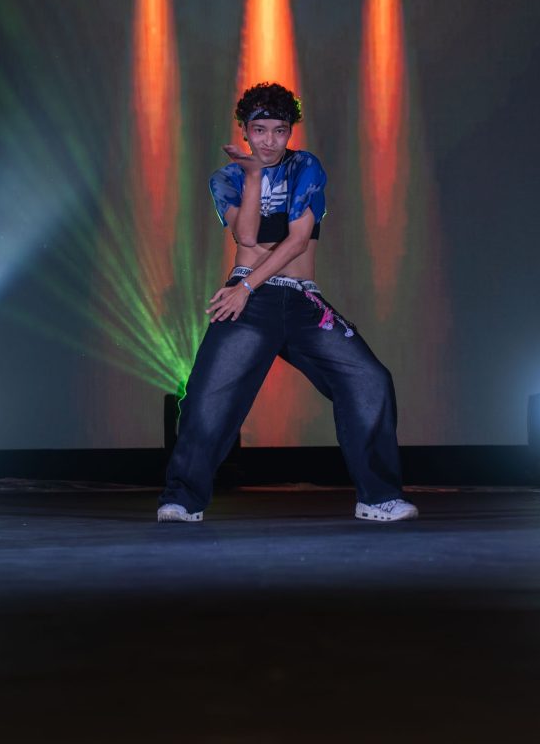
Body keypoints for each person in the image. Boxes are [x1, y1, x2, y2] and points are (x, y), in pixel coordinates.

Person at [157, 81, 418, 523]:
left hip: (299, 301)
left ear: (290, 131)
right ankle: (183, 499)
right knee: (206, 397)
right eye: (260, 130)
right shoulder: (227, 178)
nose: (270, 141)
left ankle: (378, 498)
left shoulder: (305, 166)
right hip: (248, 304)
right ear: (244, 130)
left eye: (280, 130)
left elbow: (297, 241)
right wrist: (252, 178)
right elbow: (246, 237)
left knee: (369, 378)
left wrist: (246, 287)